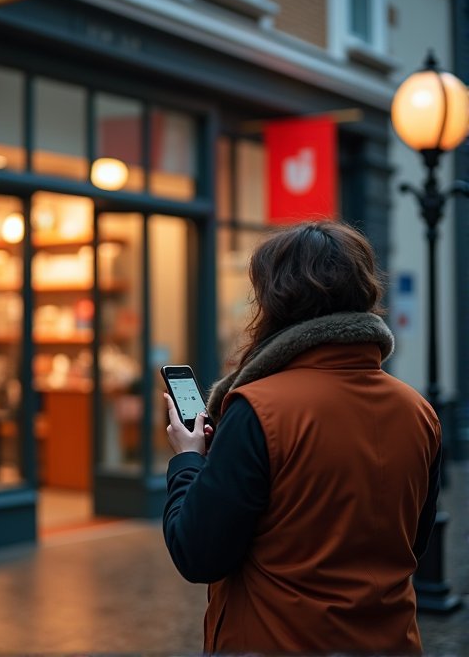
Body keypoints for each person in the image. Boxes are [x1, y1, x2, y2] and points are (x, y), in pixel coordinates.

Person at [162, 221, 440, 654]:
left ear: (275, 300)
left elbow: (198, 554)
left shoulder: (257, 409)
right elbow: (413, 542)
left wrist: (187, 460)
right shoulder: (418, 410)